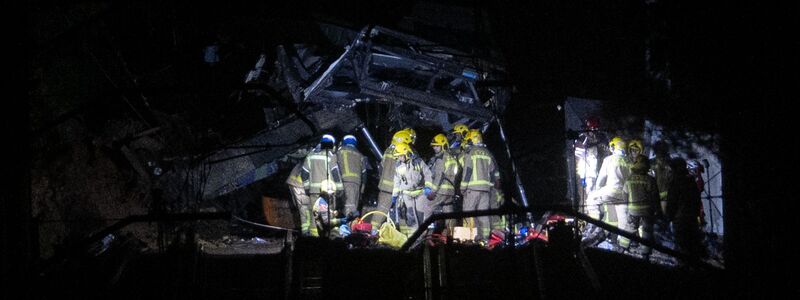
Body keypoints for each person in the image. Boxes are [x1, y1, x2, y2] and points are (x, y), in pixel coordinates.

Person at [583, 136, 630, 248]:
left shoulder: (609, 159)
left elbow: (601, 179)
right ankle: (623, 244)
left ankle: (593, 223)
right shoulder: (629, 161)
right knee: (622, 218)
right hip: (624, 194)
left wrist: (597, 190)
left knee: (591, 198)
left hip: (610, 190)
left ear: (613, 146)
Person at [459, 129, 500, 243]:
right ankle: (485, 239)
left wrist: (462, 187)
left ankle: (467, 240)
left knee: (468, 214)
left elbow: (467, 171)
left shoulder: (471, 152)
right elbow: (493, 172)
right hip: (486, 190)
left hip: (472, 189)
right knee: (483, 216)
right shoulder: (487, 152)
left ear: (472, 140)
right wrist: (491, 185)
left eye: (469, 140)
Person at [301, 134, 344, 237]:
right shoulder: (330, 156)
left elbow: (304, 174)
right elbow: (335, 174)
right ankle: (328, 239)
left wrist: (307, 188)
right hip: (328, 193)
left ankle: (314, 240)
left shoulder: (310, 156)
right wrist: (340, 189)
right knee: (329, 216)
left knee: (314, 217)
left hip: (314, 192)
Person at [369, 130, 413, 228]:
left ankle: (372, 232)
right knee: (402, 213)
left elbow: (381, 166)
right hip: (396, 188)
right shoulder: (403, 152)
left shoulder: (388, 151)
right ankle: (405, 238)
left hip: (385, 188)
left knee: (380, 211)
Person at [666, 158, 707, 263]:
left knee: (681, 242)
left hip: (680, 218)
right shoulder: (690, 180)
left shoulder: (675, 181)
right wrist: (697, 214)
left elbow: (672, 202)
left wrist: (669, 216)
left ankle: (682, 263)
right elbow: (697, 199)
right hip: (692, 217)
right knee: (691, 242)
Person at [619, 155, 660, 258]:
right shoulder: (650, 179)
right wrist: (657, 209)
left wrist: (627, 205)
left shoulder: (629, 179)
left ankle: (622, 247)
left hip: (633, 210)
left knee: (630, 228)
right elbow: (655, 196)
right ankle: (645, 253)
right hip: (647, 210)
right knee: (647, 230)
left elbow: (624, 194)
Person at [391, 142, 434, 236]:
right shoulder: (398, 166)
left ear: (407, 153)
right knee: (411, 218)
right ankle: (413, 238)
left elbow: (428, 174)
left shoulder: (418, 162)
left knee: (421, 216)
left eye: (401, 156)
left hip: (420, 193)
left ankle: (423, 237)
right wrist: (394, 197)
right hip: (406, 195)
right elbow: (397, 182)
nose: (399, 158)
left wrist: (428, 187)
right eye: (398, 156)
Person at [426, 133, 460, 236]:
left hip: (441, 190)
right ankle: (450, 235)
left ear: (443, 145)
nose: (435, 148)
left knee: (427, 208)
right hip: (450, 191)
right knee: (448, 212)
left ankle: (422, 233)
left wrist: (433, 191)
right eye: (434, 146)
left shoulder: (441, 158)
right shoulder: (451, 157)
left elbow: (439, 176)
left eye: (437, 146)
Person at [574, 117, 607, 214]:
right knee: (587, 197)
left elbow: (606, 152)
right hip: (587, 174)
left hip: (598, 173)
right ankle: (585, 217)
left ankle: (596, 217)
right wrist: (583, 177)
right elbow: (579, 158)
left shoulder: (601, 138)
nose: (595, 132)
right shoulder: (582, 139)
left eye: (596, 130)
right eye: (593, 130)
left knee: (597, 197)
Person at [336, 135, 366, 219]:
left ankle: (347, 230)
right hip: (356, 184)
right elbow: (364, 174)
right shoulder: (360, 155)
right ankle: (349, 227)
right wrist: (362, 190)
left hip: (341, 181)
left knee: (343, 207)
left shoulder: (340, 151)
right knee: (352, 207)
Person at [286, 161, 315, 236]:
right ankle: (306, 232)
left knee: (303, 207)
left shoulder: (310, 158)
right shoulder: (312, 161)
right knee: (304, 208)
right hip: (299, 185)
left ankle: (306, 230)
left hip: (295, 183)